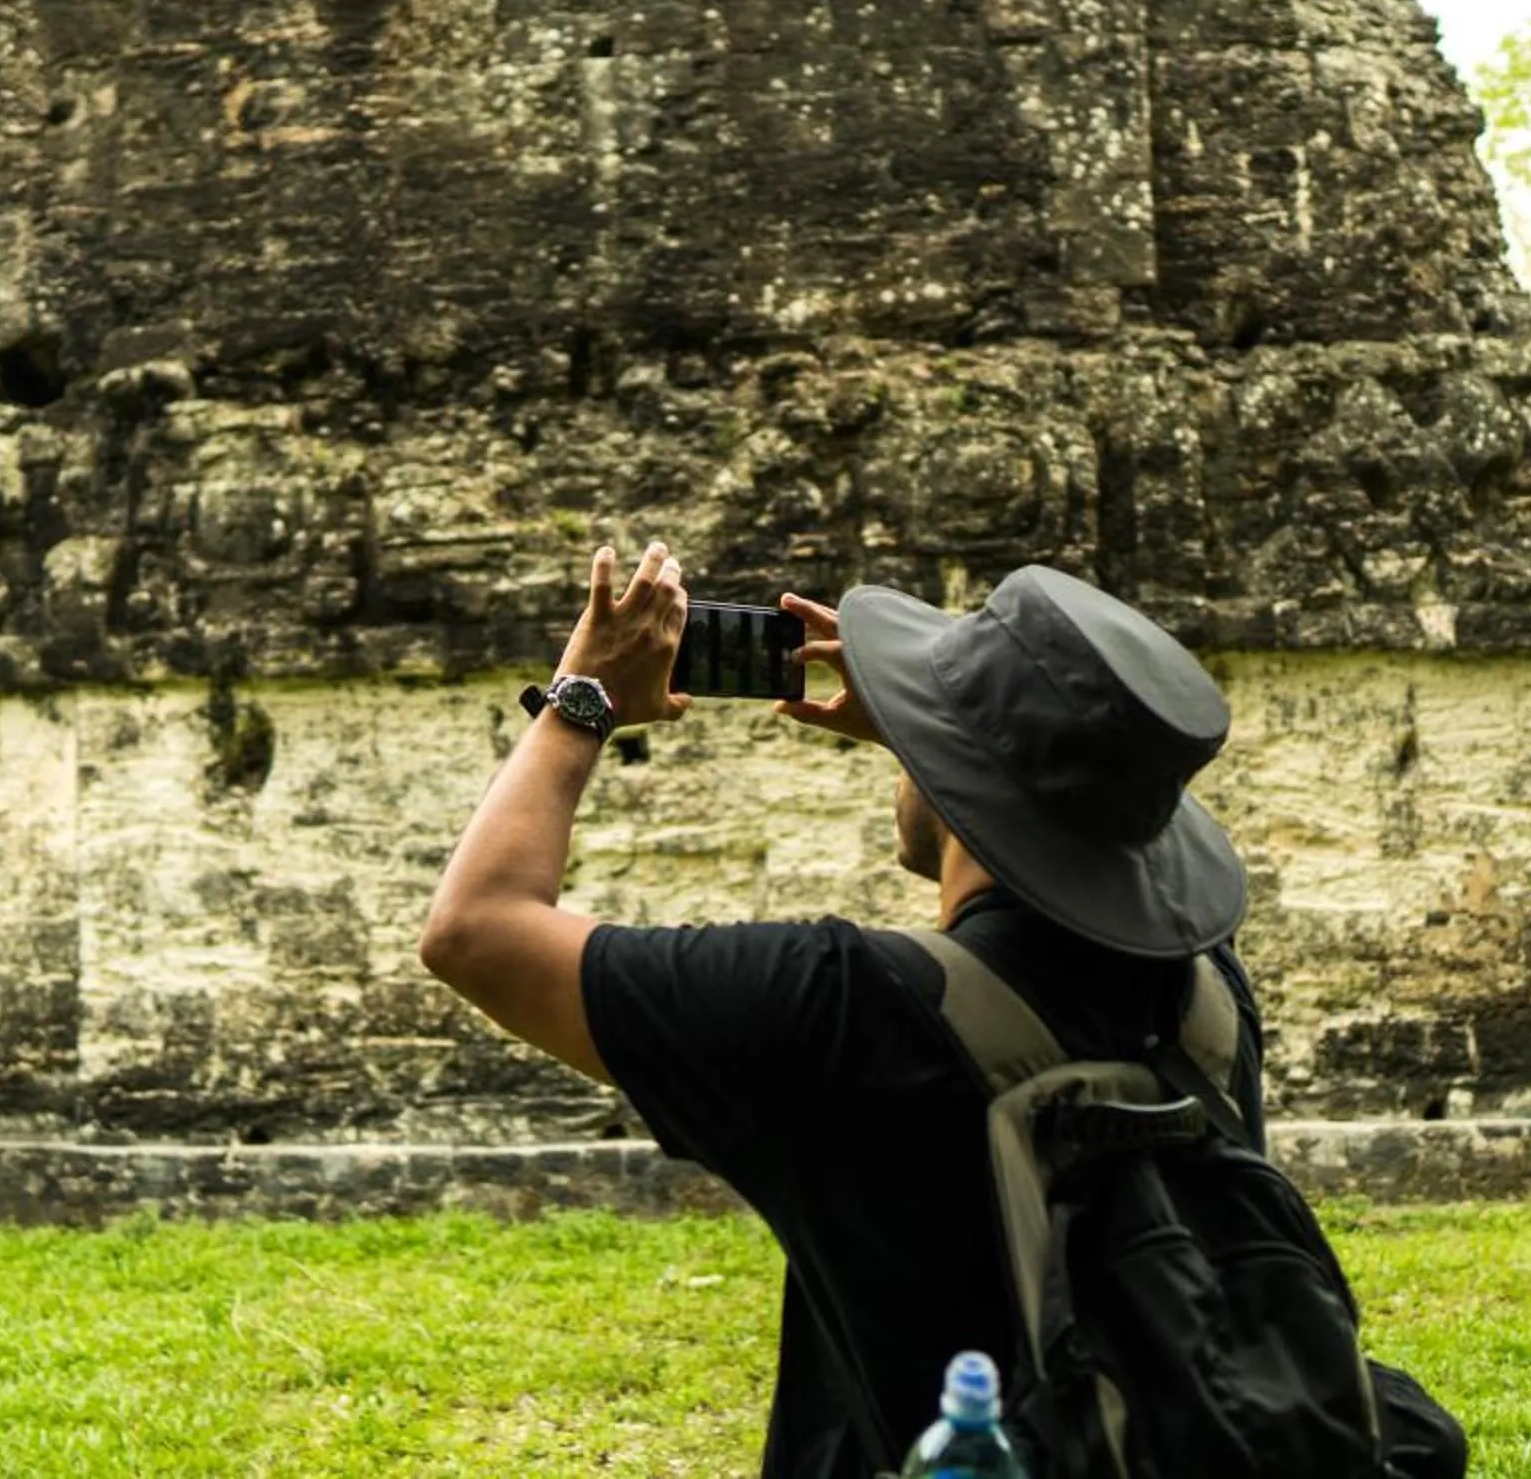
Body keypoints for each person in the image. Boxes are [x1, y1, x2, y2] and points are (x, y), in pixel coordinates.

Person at [420, 542, 1270, 1478]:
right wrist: (951, 753)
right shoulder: (1207, 995)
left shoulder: (841, 1010)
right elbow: (1094, 822)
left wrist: (582, 698)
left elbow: (475, 931)